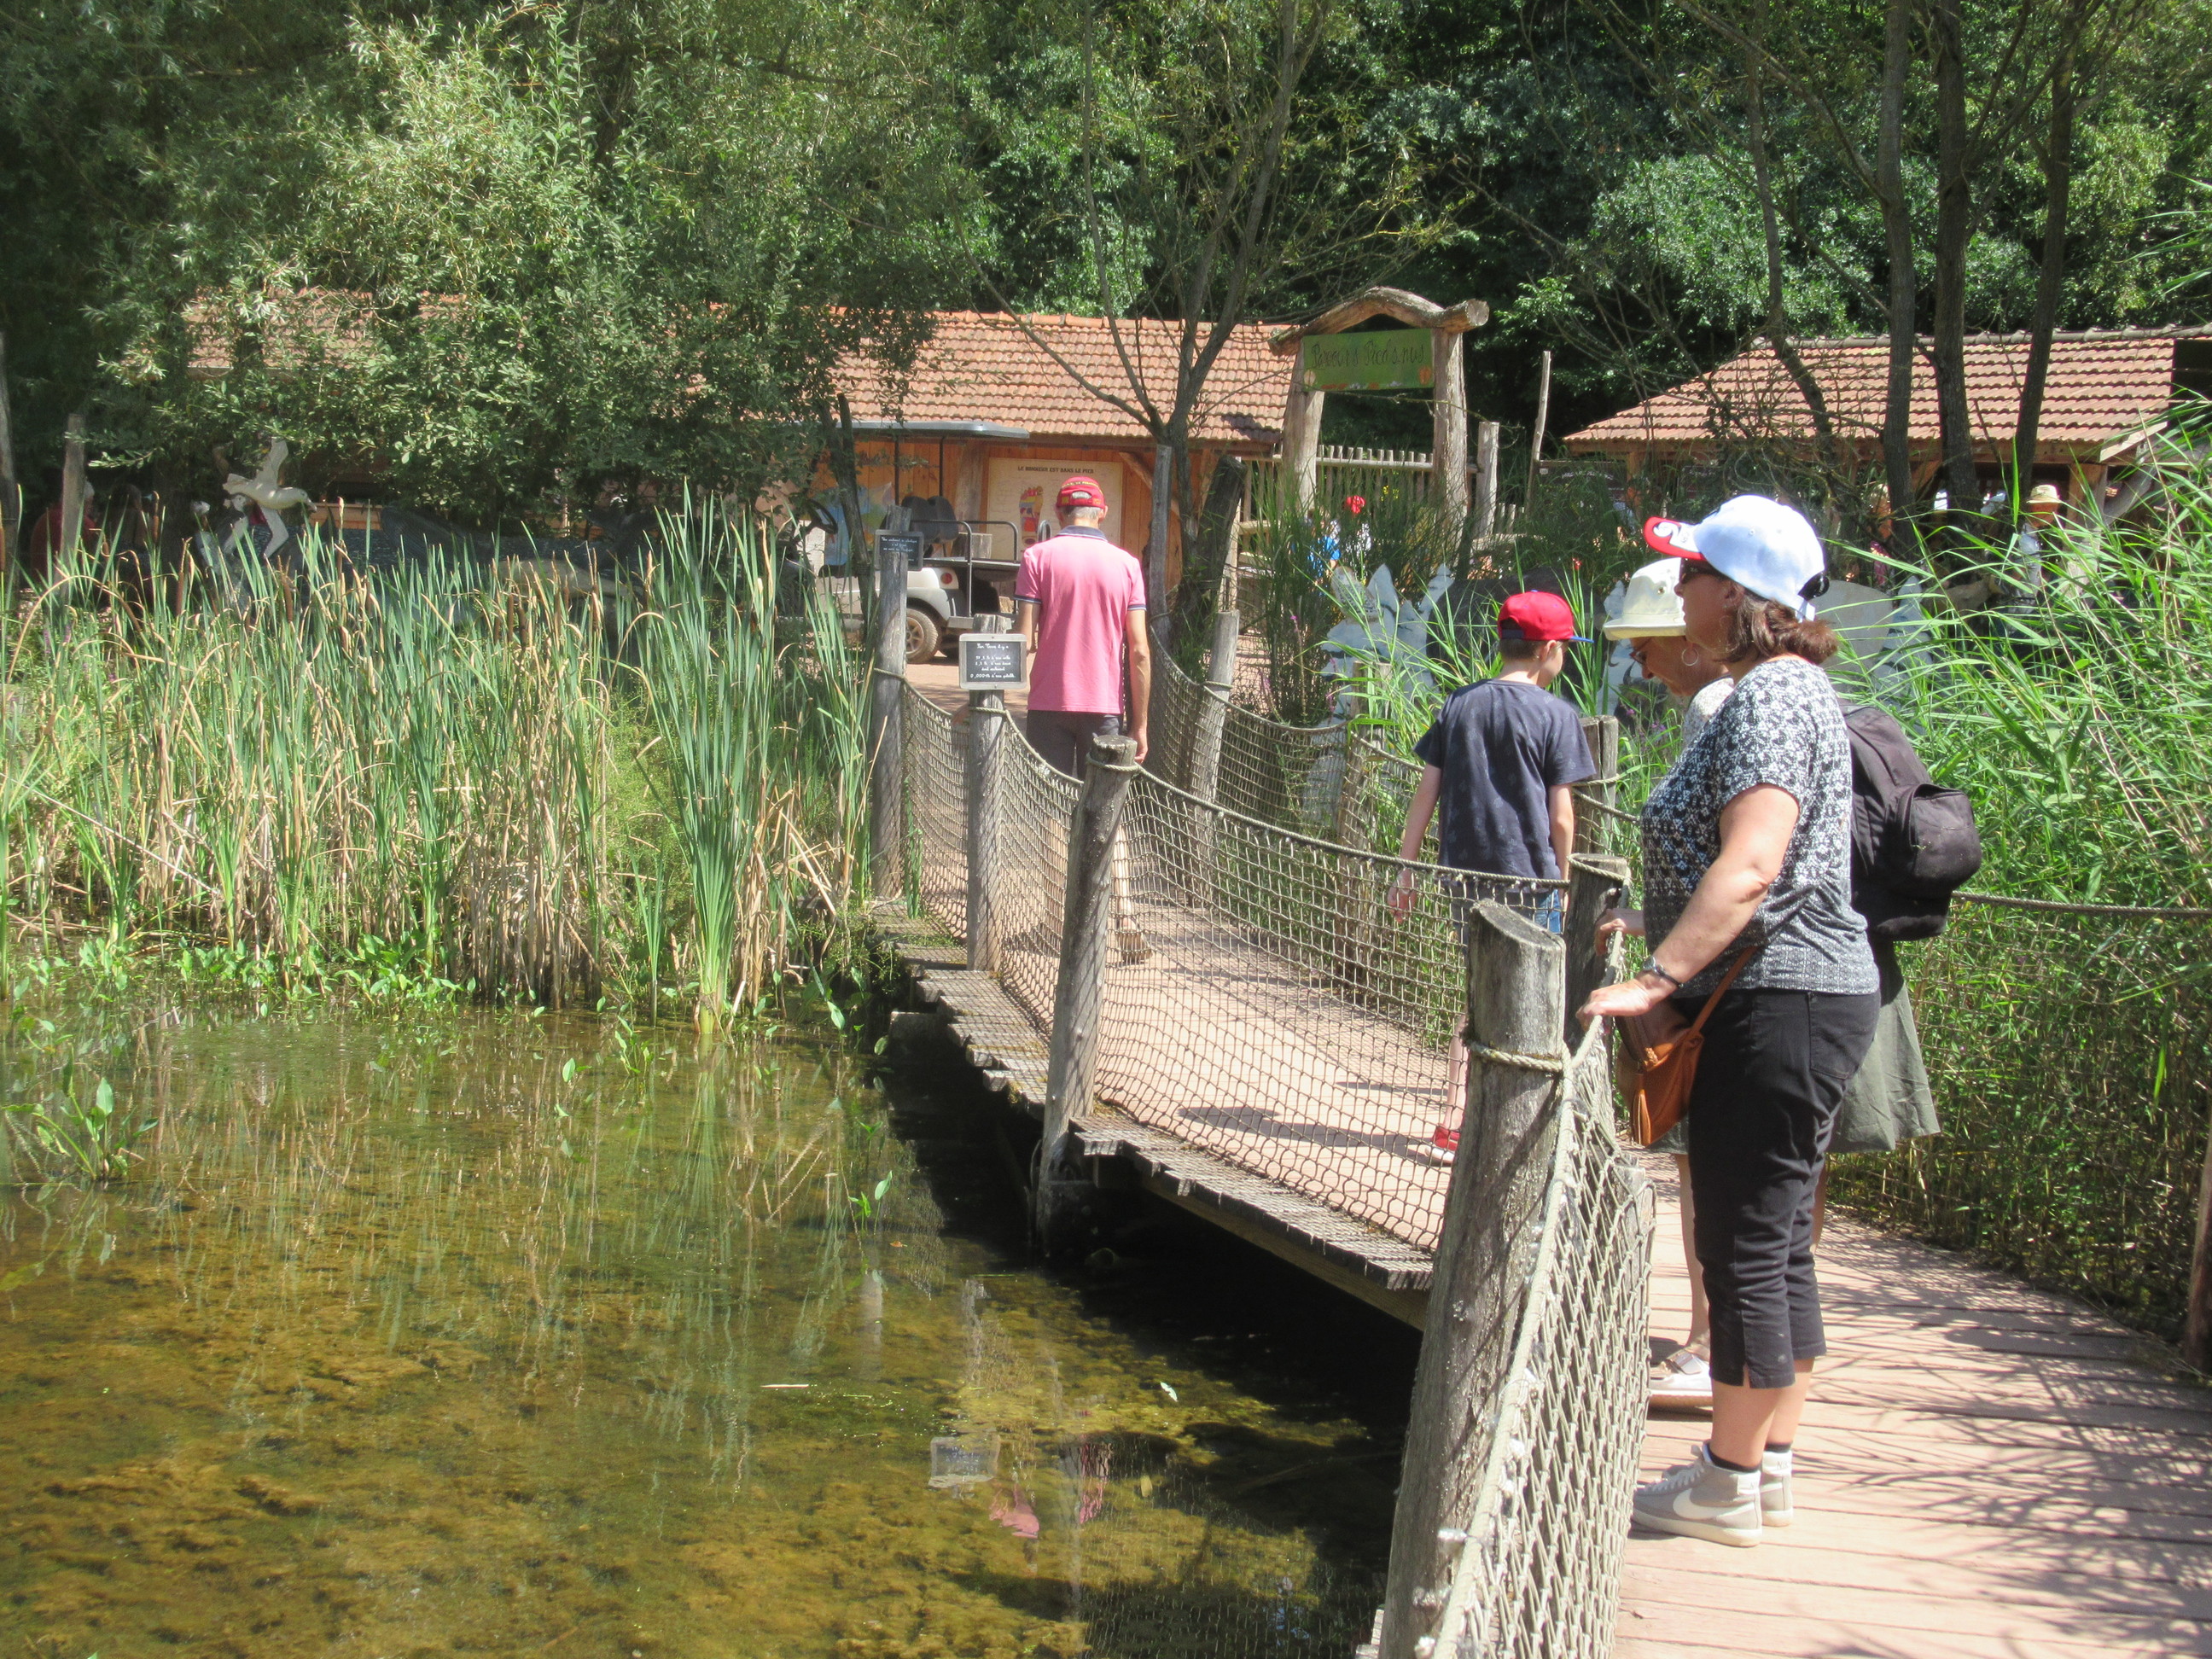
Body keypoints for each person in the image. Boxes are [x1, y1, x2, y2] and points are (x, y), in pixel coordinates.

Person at [1581, 495, 1878, 1550]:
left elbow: (1752, 864)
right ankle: (1766, 1466)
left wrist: (1656, 976)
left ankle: (1727, 1481)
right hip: (1797, 995)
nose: (1682, 590)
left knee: (1745, 1244)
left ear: (1739, 595)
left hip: (1778, 999)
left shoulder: (1770, 697)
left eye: (1695, 573)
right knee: (1777, 1242)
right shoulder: (1784, 690)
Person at [1392, 590, 1596, 1161]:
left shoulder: (1459, 703)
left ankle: (1454, 1118)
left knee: (1479, 993)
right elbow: (1562, 817)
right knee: (1536, 998)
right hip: (1531, 878)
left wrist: (1405, 870)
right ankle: (1518, 1127)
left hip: (1464, 875)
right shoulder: (1558, 715)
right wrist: (1565, 880)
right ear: (1547, 650)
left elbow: (1426, 792)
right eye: (1564, 649)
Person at [1604, 556, 1734, 1411]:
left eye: (1646, 645)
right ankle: (1724, 1341)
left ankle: (1713, 1343)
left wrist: (1663, 967)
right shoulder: (1728, 704)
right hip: (1727, 966)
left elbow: (1741, 857)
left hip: (1722, 982)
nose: (1639, 664)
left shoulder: (1719, 708)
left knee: (1706, 1165)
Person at [1016, 475, 1150, 774]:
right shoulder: (1128, 565)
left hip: (1048, 703)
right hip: (1104, 706)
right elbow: (1139, 650)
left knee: (1048, 796)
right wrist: (1140, 726)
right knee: (1102, 796)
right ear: (1103, 512)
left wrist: (988, 694)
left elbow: (1023, 640)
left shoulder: (1036, 557)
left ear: (1059, 512)